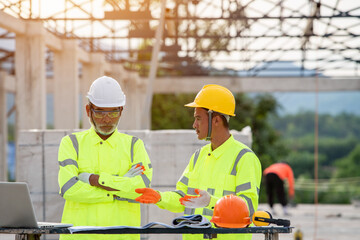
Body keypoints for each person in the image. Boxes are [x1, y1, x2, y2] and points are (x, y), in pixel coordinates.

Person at [135, 84, 262, 240]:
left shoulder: (244, 158)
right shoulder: (198, 156)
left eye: (198, 118)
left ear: (215, 120)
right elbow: (183, 198)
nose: (194, 125)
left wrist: (211, 202)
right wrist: (159, 197)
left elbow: (248, 208)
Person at [58, 76, 152, 240]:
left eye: (113, 112)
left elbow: (140, 189)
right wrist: (119, 189)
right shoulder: (71, 143)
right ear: (88, 110)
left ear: (121, 111)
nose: (107, 119)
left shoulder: (134, 146)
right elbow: (68, 188)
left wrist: (92, 179)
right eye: (100, 112)